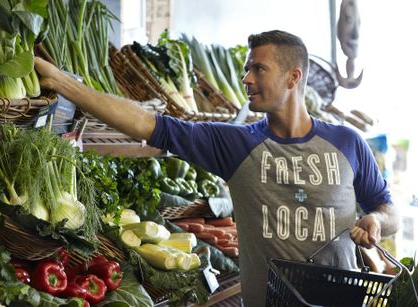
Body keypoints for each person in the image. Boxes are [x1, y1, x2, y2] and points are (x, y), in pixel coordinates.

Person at [34, 30, 399, 307]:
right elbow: (148, 124)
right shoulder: (236, 144)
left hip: (343, 299)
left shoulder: (347, 142)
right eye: (246, 69)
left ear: (293, 77)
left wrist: (376, 222)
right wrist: (65, 84)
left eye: (259, 68)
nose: (247, 79)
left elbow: (388, 210)